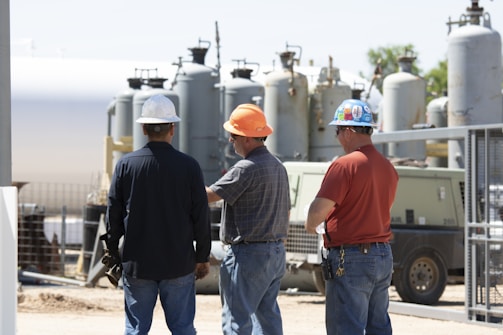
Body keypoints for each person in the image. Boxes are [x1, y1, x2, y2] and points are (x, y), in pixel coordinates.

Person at [103, 94, 211, 335]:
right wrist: (202, 256)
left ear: (143, 128)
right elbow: (200, 215)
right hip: (179, 263)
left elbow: (114, 212)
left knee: (136, 329)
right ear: (173, 128)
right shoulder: (189, 166)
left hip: (137, 263)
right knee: (183, 328)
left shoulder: (126, 165)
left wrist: (112, 250)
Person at [304, 99, 398, 335]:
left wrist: (311, 224)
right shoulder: (388, 167)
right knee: (379, 326)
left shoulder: (344, 165)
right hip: (382, 254)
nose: (337, 138)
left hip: (351, 257)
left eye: (337, 131)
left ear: (347, 131)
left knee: (345, 328)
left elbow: (317, 214)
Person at [206, 103, 290, 335]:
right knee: (267, 318)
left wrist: (180, 183)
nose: (231, 141)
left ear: (246, 138)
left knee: (236, 320)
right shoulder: (278, 166)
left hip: (248, 255)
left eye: (233, 136)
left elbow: (209, 196)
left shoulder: (245, 168)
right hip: (275, 253)